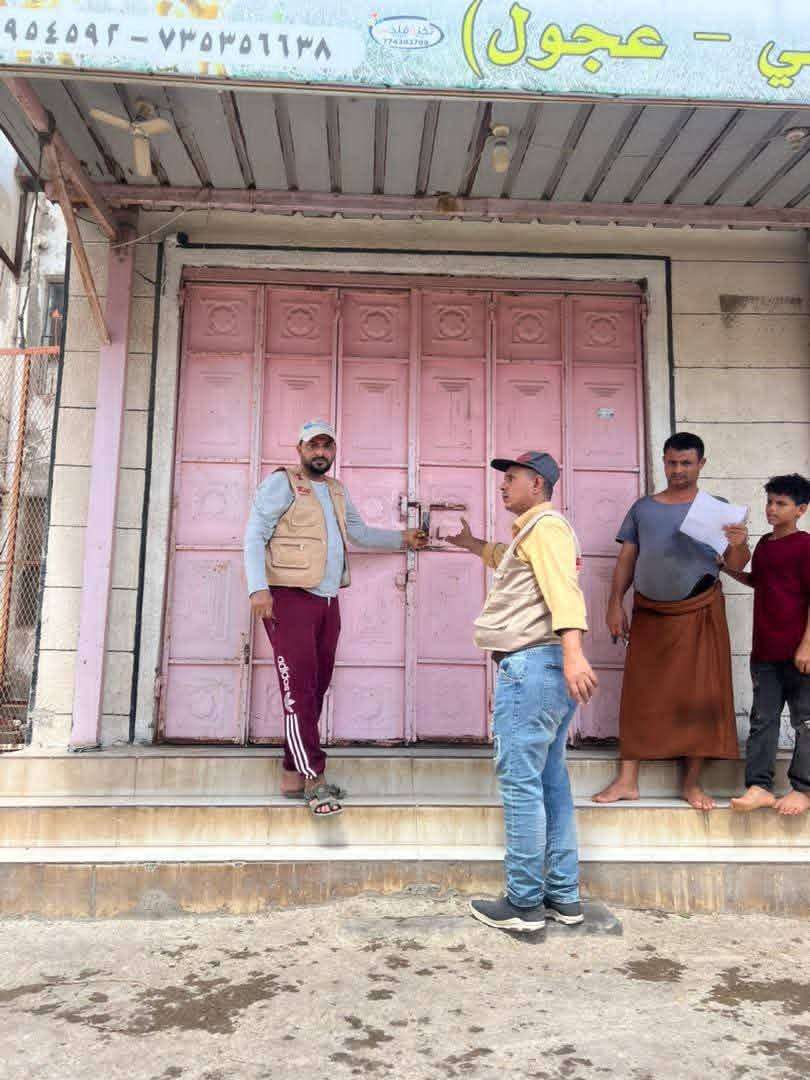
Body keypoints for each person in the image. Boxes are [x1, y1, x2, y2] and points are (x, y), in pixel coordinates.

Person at [446, 451, 597, 934]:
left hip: (532, 667)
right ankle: (563, 896)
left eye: (511, 478)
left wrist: (574, 653)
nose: (503, 485)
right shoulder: (534, 533)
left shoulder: (546, 529)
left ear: (537, 484)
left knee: (521, 784)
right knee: (550, 784)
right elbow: (513, 566)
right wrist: (473, 545)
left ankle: (524, 903)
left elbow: (563, 592)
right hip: (545, 668)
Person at [244, 419, 426, 817]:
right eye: (314, 446)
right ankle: (314, 777)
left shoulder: (336, 490)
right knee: (298, 690)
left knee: (316, 686)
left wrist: (403, 538)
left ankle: (292, 774)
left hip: (327, 599)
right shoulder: (282, 484)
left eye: (327, 446)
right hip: (289, 596)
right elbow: (255, 534)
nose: (321, 452)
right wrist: (258, 588)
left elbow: (359, 533)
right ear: (300, 449)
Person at [593, 432, 751, 810]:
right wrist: (614, 603)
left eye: (686, 463)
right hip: (649, 613)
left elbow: (735, 565)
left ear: (701, 464)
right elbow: (627, 560)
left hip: (700, 611)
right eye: (672, 462)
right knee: (639, 694)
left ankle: (691, 784)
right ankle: (627, 781)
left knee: (700, 696)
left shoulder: (718, 509)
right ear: (663, 462)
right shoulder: (643, 509)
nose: (678, 470)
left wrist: (739, 542)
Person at [723, 474, 810, 817]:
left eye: (781, 503)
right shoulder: (764, 544)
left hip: (800, 654)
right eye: (770, 501)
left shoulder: (805, 546)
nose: (772, 509)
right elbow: (758, 581)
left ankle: (803, 789)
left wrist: (807, 646)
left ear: (801, 510)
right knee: (763, 720)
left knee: (805, 722)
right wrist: (726, 566)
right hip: (765, 652)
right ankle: (759, 787)